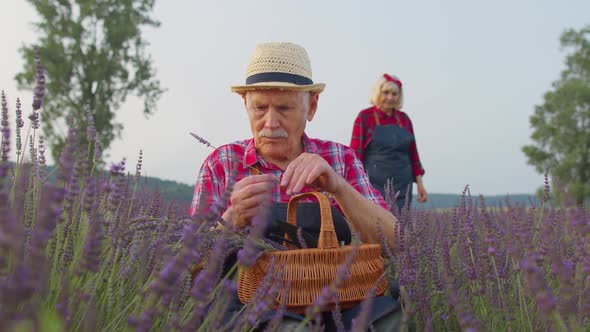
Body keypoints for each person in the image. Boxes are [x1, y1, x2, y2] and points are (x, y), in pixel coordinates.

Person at [189, 42, 401, 331]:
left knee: (390, 321)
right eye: (260, 108)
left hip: (341, 302)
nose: (270, 122)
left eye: (285, 108)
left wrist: (338, 187)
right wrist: (231, 219)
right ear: (245, 105)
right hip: (251, 307)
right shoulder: (222, 163)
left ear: (311, 106)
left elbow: (395, 243)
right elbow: (190, 269)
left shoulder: (339, 159)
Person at [350, 74, 428, 212]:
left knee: (399, 229)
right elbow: (355, 155)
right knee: (375, 226)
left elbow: (413, 154)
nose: (390, 97)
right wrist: (354, 185)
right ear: (378, 93)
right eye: (386, 93)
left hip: (403, 184)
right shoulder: (365, 117)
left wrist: (420, 184)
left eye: (394, 94)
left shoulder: (404, 120)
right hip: (373, 184)